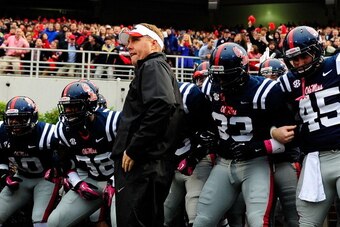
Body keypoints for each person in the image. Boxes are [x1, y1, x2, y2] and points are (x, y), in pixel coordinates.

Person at [193, 42, 289, 227]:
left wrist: (255, 148)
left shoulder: (265, 91)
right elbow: (206, 125)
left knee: (257, 221)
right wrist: (206, 137)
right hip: (223, 163)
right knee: (202, 220)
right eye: (217, 76)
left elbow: (290, 138)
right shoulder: (208, 88)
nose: (221, 82)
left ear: (242, 71)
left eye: (225, 76)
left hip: (256, 164)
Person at [112, 23, 185, 227]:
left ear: (154, 44)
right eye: (128, 41)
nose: (129, 45)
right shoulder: (153, 67)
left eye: (135, 40)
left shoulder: (152, 65)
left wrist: (135, 148)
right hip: (150, 164)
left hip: (143, 165)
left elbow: (161, 105)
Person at [273, 25, 340, 227]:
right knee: (306, 222)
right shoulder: (288, 82)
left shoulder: (336, 65)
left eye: (305, 56)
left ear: (317, 51)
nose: (300, 63)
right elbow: (266, 114)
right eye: (295, 59)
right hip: (314, 161)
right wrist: (273, 131)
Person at [47, 81, 121, 227]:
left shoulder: (112, 122)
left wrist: (115, 181)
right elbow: (65, 163)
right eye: (67, 107)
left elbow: (132, 154)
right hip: (92, 181)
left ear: (90, 105)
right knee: (55, 223)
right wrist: (78, 183)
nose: (68, 112)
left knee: (119, 222)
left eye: (74, 107)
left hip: (120, 181)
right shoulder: (62, 130)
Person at [0, 96, 60, 227]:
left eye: (20, 118)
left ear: (32, 118)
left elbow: (68, 154)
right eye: (11, 119)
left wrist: (59, 170)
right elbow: (1, 156)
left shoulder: (48, 133)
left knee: (39, 220)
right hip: (21, 178)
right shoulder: (2, 132)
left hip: (45, 179)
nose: (14, 123)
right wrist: (5, 175)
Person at [258, 58, 301, 227]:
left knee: (293, 215)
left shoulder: (291, 98)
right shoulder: (254, 98)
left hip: (287, 159)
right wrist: (272, 131)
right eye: (265, 77)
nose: (270, 81)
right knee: (263, 216)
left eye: (275, 77)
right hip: (260, 163)